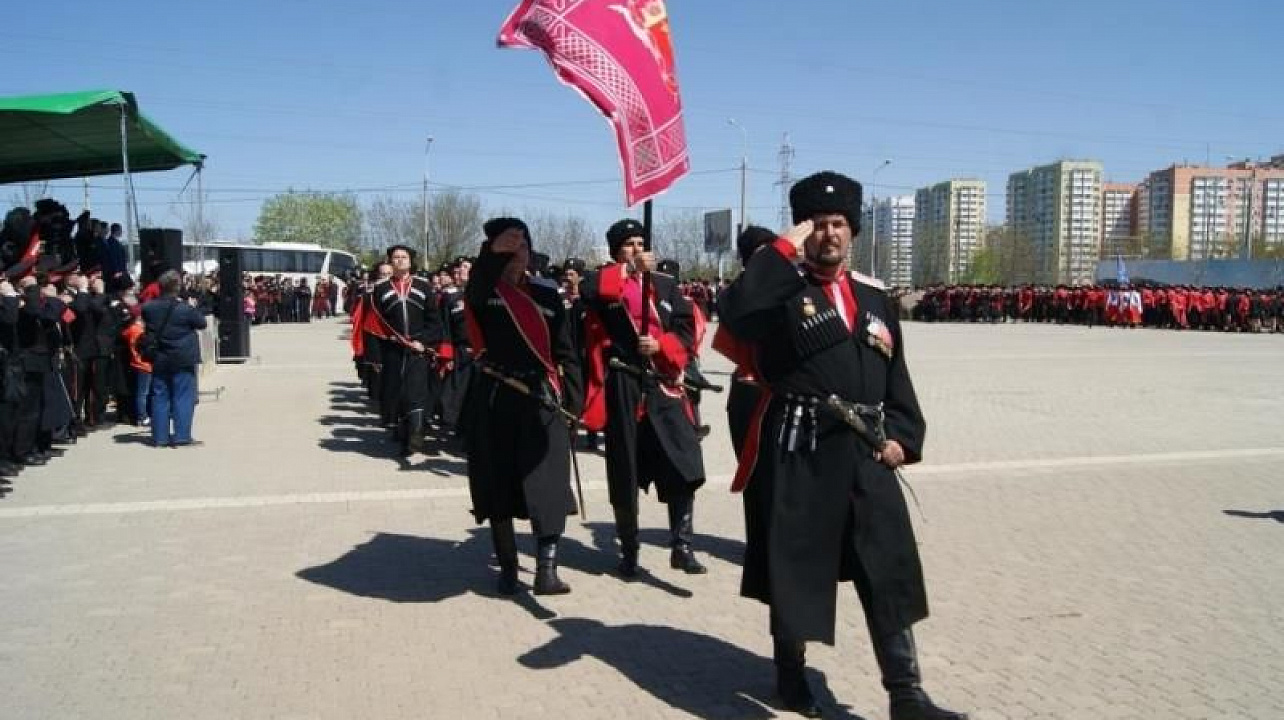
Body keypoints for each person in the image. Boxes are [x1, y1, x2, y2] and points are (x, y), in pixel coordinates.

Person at [718, 171, 967, 720]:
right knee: (797, 572)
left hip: (867, 453)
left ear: (852, 230)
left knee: (889, 568)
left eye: (838, 224)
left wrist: (903, 436)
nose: (829, 235)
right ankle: (790, 674)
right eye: (818, 225)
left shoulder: (876, 300)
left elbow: (896, 378)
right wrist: (783, 248)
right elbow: (734, 313)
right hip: (801, 452)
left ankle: (907, 694)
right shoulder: (782, 291)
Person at [580, 218, 708, 577]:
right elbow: (594, 293)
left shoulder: (666, 285)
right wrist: (626, 271)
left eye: (641, 242)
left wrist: (662, 345)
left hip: (663, 382)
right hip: (624, 381)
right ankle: (630, 550)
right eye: (629, 244)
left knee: (684, 460)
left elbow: (686, 328)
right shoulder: (606, 280)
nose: (638, 249)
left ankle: (682, 545)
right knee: (625, 466)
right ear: (616, 251)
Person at [461, 218, 582, 595]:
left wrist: (573, 402)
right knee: (498, 483)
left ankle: (547, 568)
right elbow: (477, 287)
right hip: (497, 395)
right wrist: (492, 254)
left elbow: (568, 353)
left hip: (543, 398)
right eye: (509, 250)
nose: (517, 256)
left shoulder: (547, 295)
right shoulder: (484, 290)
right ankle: (509, 566)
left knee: (548, 484)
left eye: (523, 248)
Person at [370, 246, 446, 456]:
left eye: (404, 257)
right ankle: (404, 433)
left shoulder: (423, 286)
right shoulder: (381, 289)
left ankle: (417, 432)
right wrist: (374, 356)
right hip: (392, 349)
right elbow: (374, 324)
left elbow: (435, 322)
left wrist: (424, 343)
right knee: (397, 392)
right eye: (396, 257)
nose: (400, 261)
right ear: (390, 261)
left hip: (417, 349)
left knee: (416, 391)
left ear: (410, 262)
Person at [141, 270, 207, 448]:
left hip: (160, 356)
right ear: (178, 288)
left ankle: (160, 437)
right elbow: (202, 323)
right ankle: (181, 436)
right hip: (183, 357)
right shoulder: (185, 309)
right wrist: (193, 306)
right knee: (183, 396)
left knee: (159, 396)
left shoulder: (148, 308)